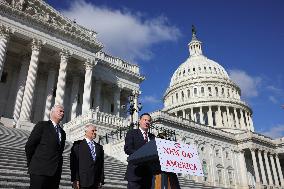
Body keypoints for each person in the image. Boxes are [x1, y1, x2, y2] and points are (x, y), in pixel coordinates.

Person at [25, 105, 66, 189]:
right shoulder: (42, 125)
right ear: (52, 112)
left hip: (55, 174)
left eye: (63, 112)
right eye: (60, 111)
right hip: (39, 171)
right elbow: (30, 146)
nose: (62, 113)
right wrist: (32, 163)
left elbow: (59, 152)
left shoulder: (62, 133)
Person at [124, 113, 155, 189]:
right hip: (135, 173)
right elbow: (128, 149)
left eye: (149, 121)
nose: (147, 122)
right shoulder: (132, 133)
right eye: (145, 120)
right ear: (139, 121)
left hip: (148, 175)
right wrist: (142, 155)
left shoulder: (152, 137)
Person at [70, 124, 104, 189]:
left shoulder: (99, 147)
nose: (95, 132)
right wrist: (75, 179)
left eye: (95, 131)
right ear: (86, 132)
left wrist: (101, 180)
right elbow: (74, 164)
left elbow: (101, 165)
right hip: (83, 181)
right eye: (93, 130)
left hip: (95, 182)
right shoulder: (78, 145)